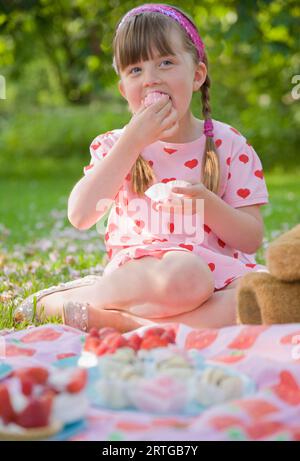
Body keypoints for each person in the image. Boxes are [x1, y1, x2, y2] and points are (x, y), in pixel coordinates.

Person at [14, 3, 269, 332]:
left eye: (165, 62)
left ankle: (118, 321)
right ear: (124, 90)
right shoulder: (115, 146)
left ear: (197, 75)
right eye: (135, 70)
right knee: (187, 277)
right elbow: (80, 216)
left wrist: (208, 205)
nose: (150, 79)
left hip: (222, 276)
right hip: (148, 270)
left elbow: (251, 239)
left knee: (268, 298)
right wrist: (132, 141)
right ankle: (121, 303)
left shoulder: (228, 144)